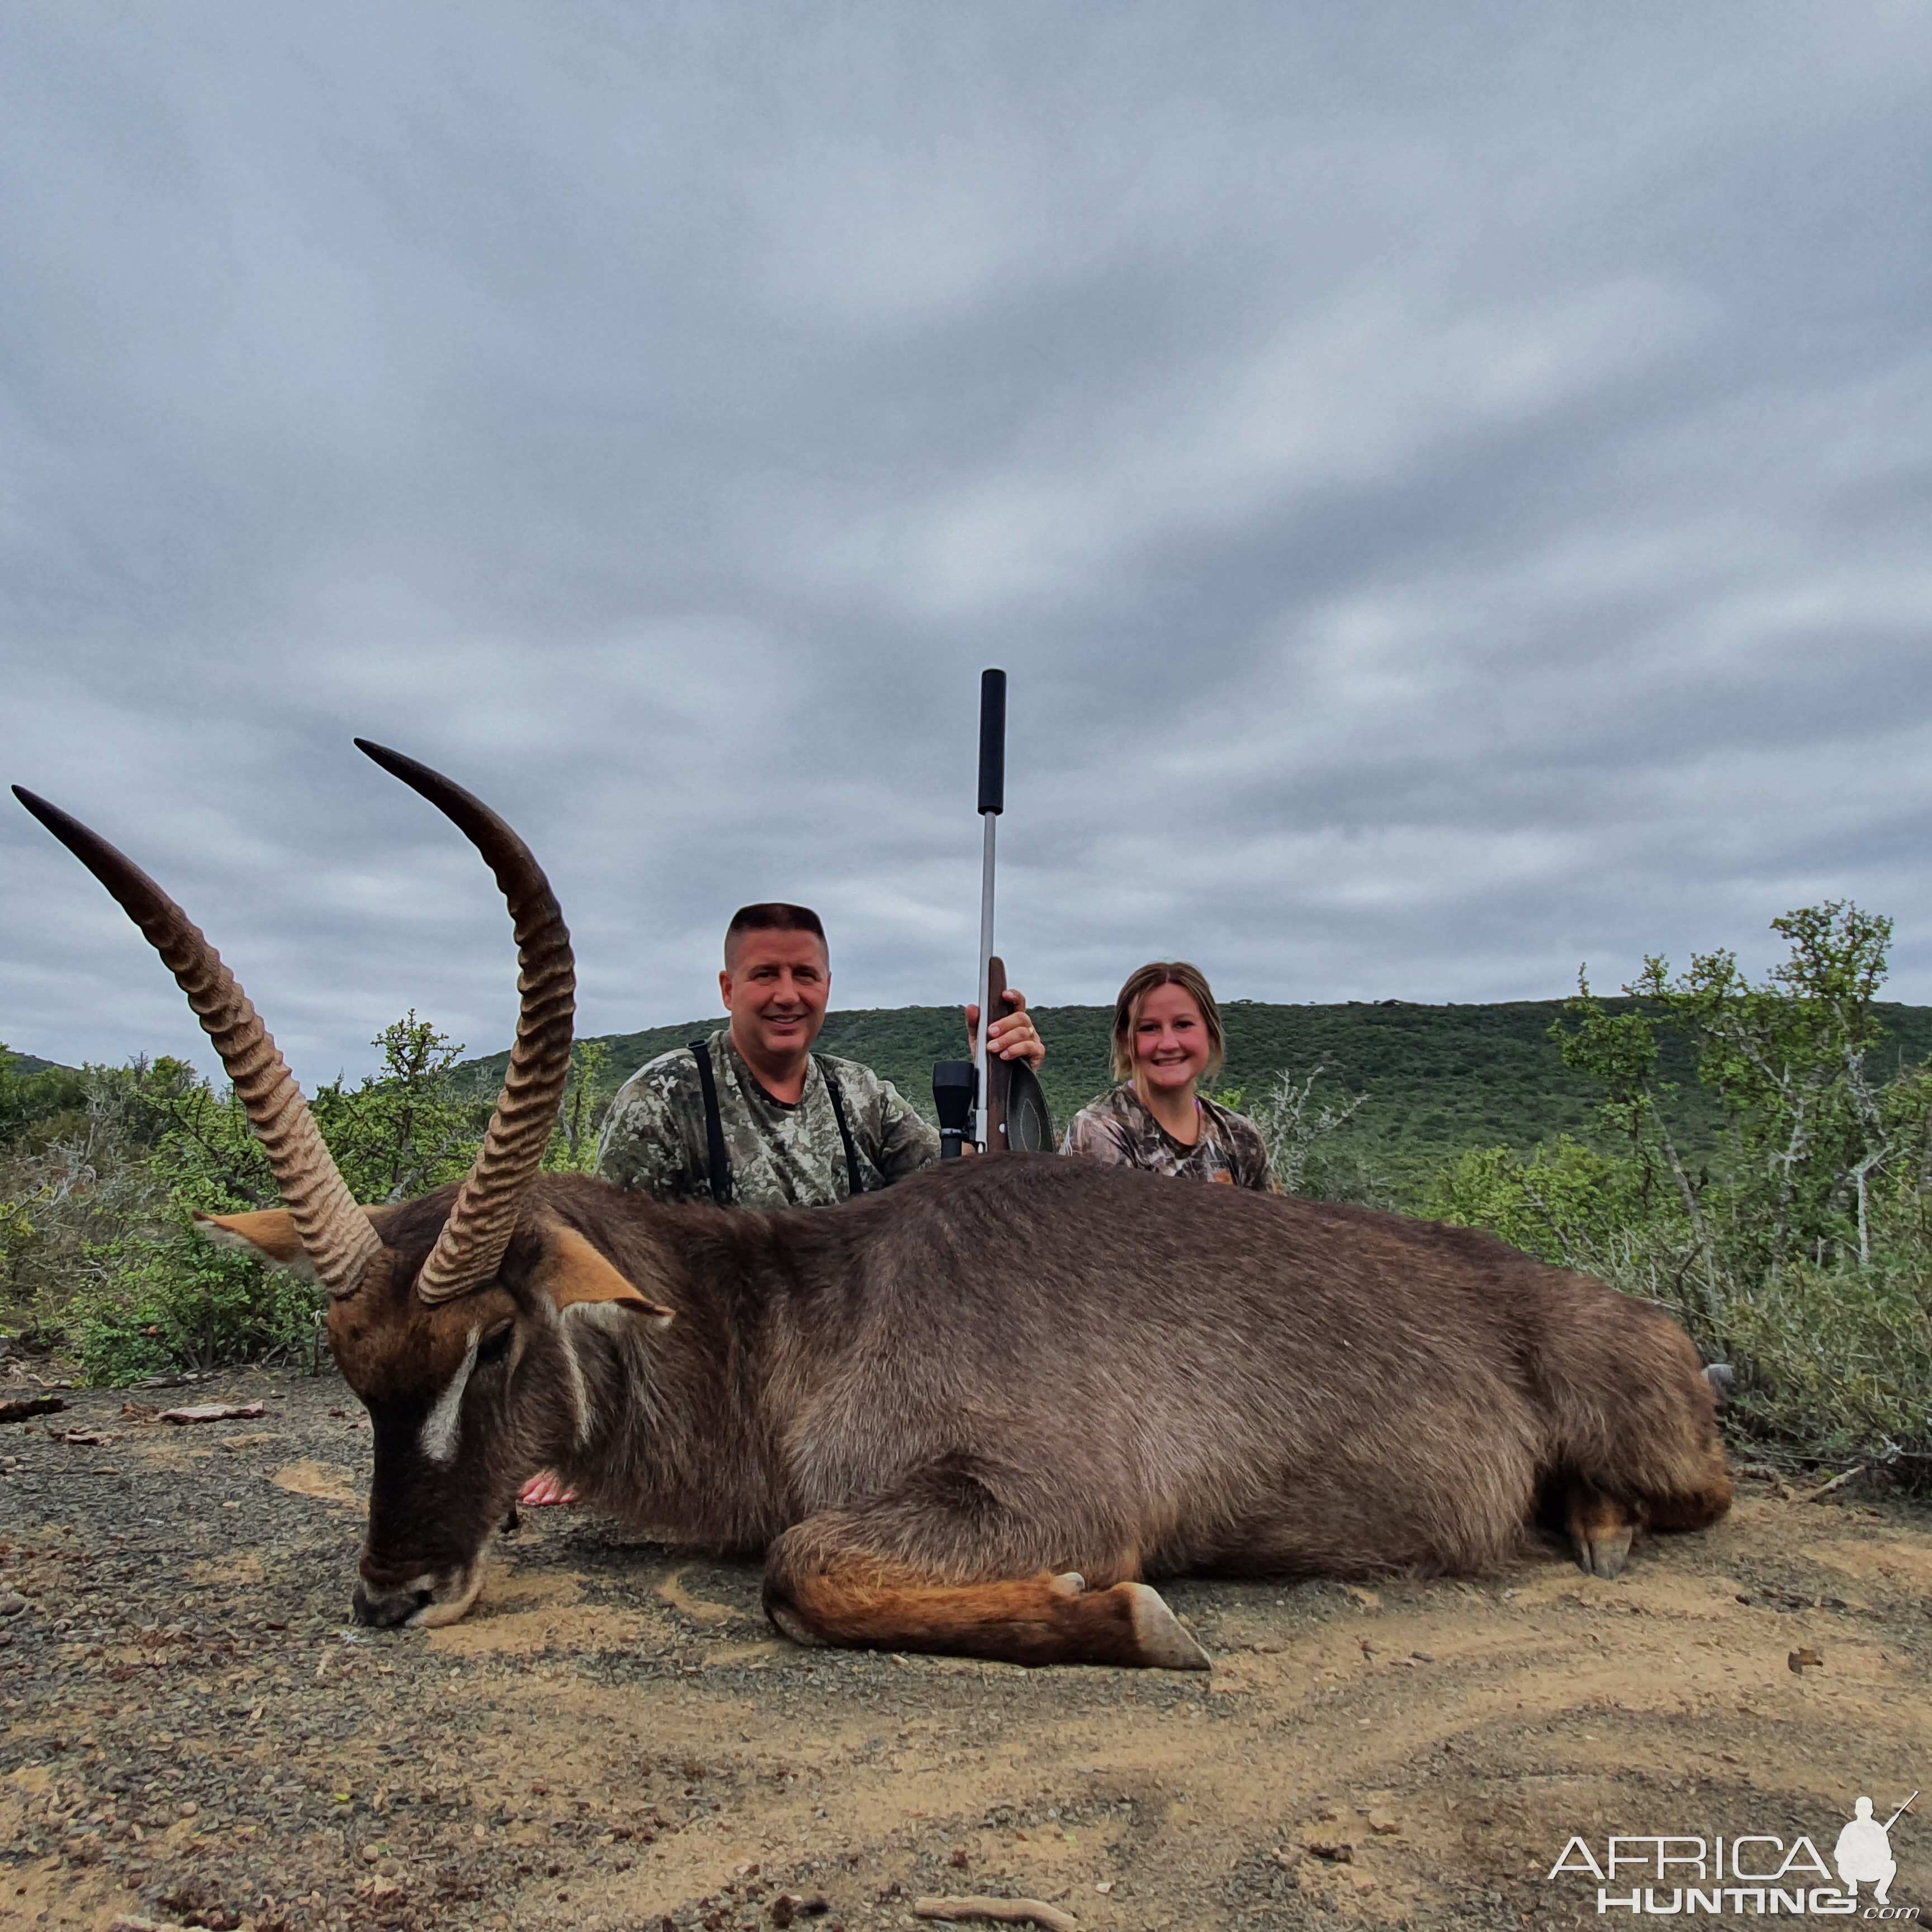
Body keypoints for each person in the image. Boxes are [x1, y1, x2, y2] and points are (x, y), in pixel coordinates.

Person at [519, 899, 1044, 1505]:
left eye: (805, 976)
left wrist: (1010, 1083)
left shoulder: (862, 1095)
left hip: (854, 1388)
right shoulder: (665, 1097)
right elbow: (604, 1276)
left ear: (827, 987)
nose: (787, 995)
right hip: (718, 1397)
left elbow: (970, 1193)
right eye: (765, 975)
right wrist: (592, 1443)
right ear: (728, 987)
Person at [1060, 960, 1272, 1190]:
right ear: (1125, 1042)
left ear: (1210, 1033)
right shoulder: (1101, 1132)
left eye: (1183, 1025)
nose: (1169, 1044)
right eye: (1149, 1028)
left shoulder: (1239, 1135)